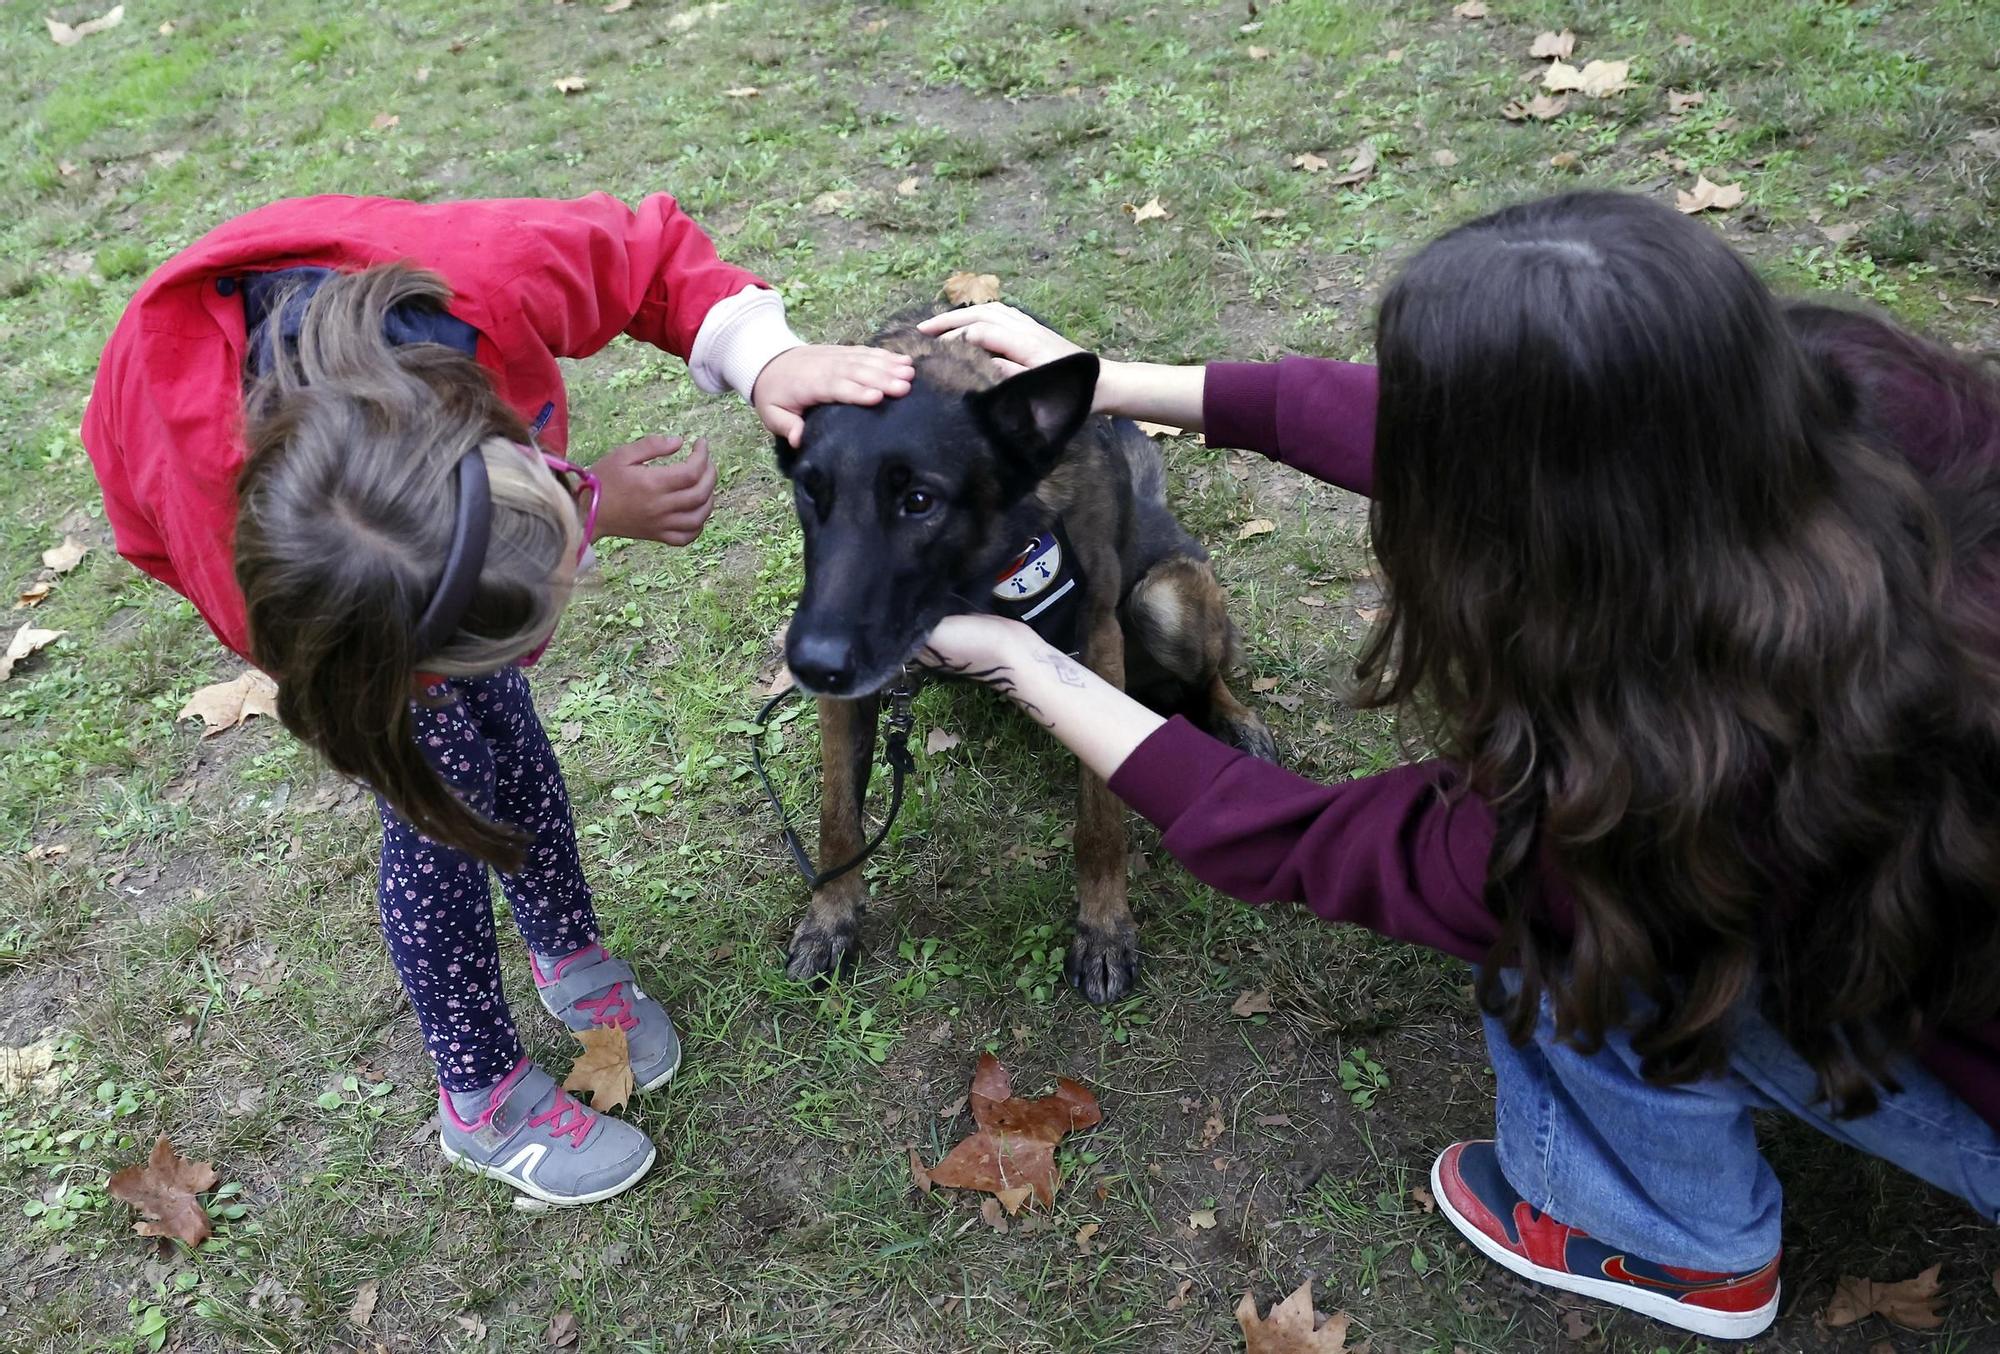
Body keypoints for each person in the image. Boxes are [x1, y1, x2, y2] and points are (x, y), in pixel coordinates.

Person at [915, 190, 2000, 1341]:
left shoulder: (1643, 790)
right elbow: (1535, 423)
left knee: (1569, 948)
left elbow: (1304, 841)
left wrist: (1019, 660)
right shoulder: (1898, 413)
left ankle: (1675, 1239)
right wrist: (1116, 378)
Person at [83, 192, 915, 1207]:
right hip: (330, 609)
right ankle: (480, 1094)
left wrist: (756, 357)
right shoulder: (231, 529)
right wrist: (406, 673)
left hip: (392, 574)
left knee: (504, 736)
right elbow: (156, 535)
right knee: (441, 806)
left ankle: (565, 948)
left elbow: (643, 255)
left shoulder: (481, 275)